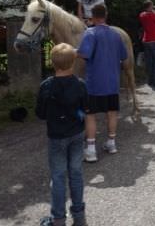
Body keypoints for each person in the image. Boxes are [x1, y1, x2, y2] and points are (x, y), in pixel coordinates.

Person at [36, 43, 88, 226]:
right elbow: (85, 108)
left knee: (58, 177)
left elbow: (40, 114)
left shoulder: (46, 86)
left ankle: (58, 219)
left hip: (57, 136)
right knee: (76, 174)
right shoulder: (80, 84)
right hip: (77, 134)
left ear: (52, 62)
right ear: (73, 62)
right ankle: (80, 217)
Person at [77, 4, 127, 162]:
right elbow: (123, 56)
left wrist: (72, 51)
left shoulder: (90, 32)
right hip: (112, 82)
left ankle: (91, 150)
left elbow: (84, 53)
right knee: (112, 113)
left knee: (90, 115)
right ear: (106, 14)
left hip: (94, 84)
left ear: (92, 16)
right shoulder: (116, 34)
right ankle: (111, 143)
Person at [139, 0, 155, 87]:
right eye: (152, 5)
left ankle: (150, 80)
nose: (153, 6)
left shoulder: (142, 14)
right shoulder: (151, 14)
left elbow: (152, 20)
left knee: (149, 62)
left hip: (146, 40)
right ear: (149, 6)